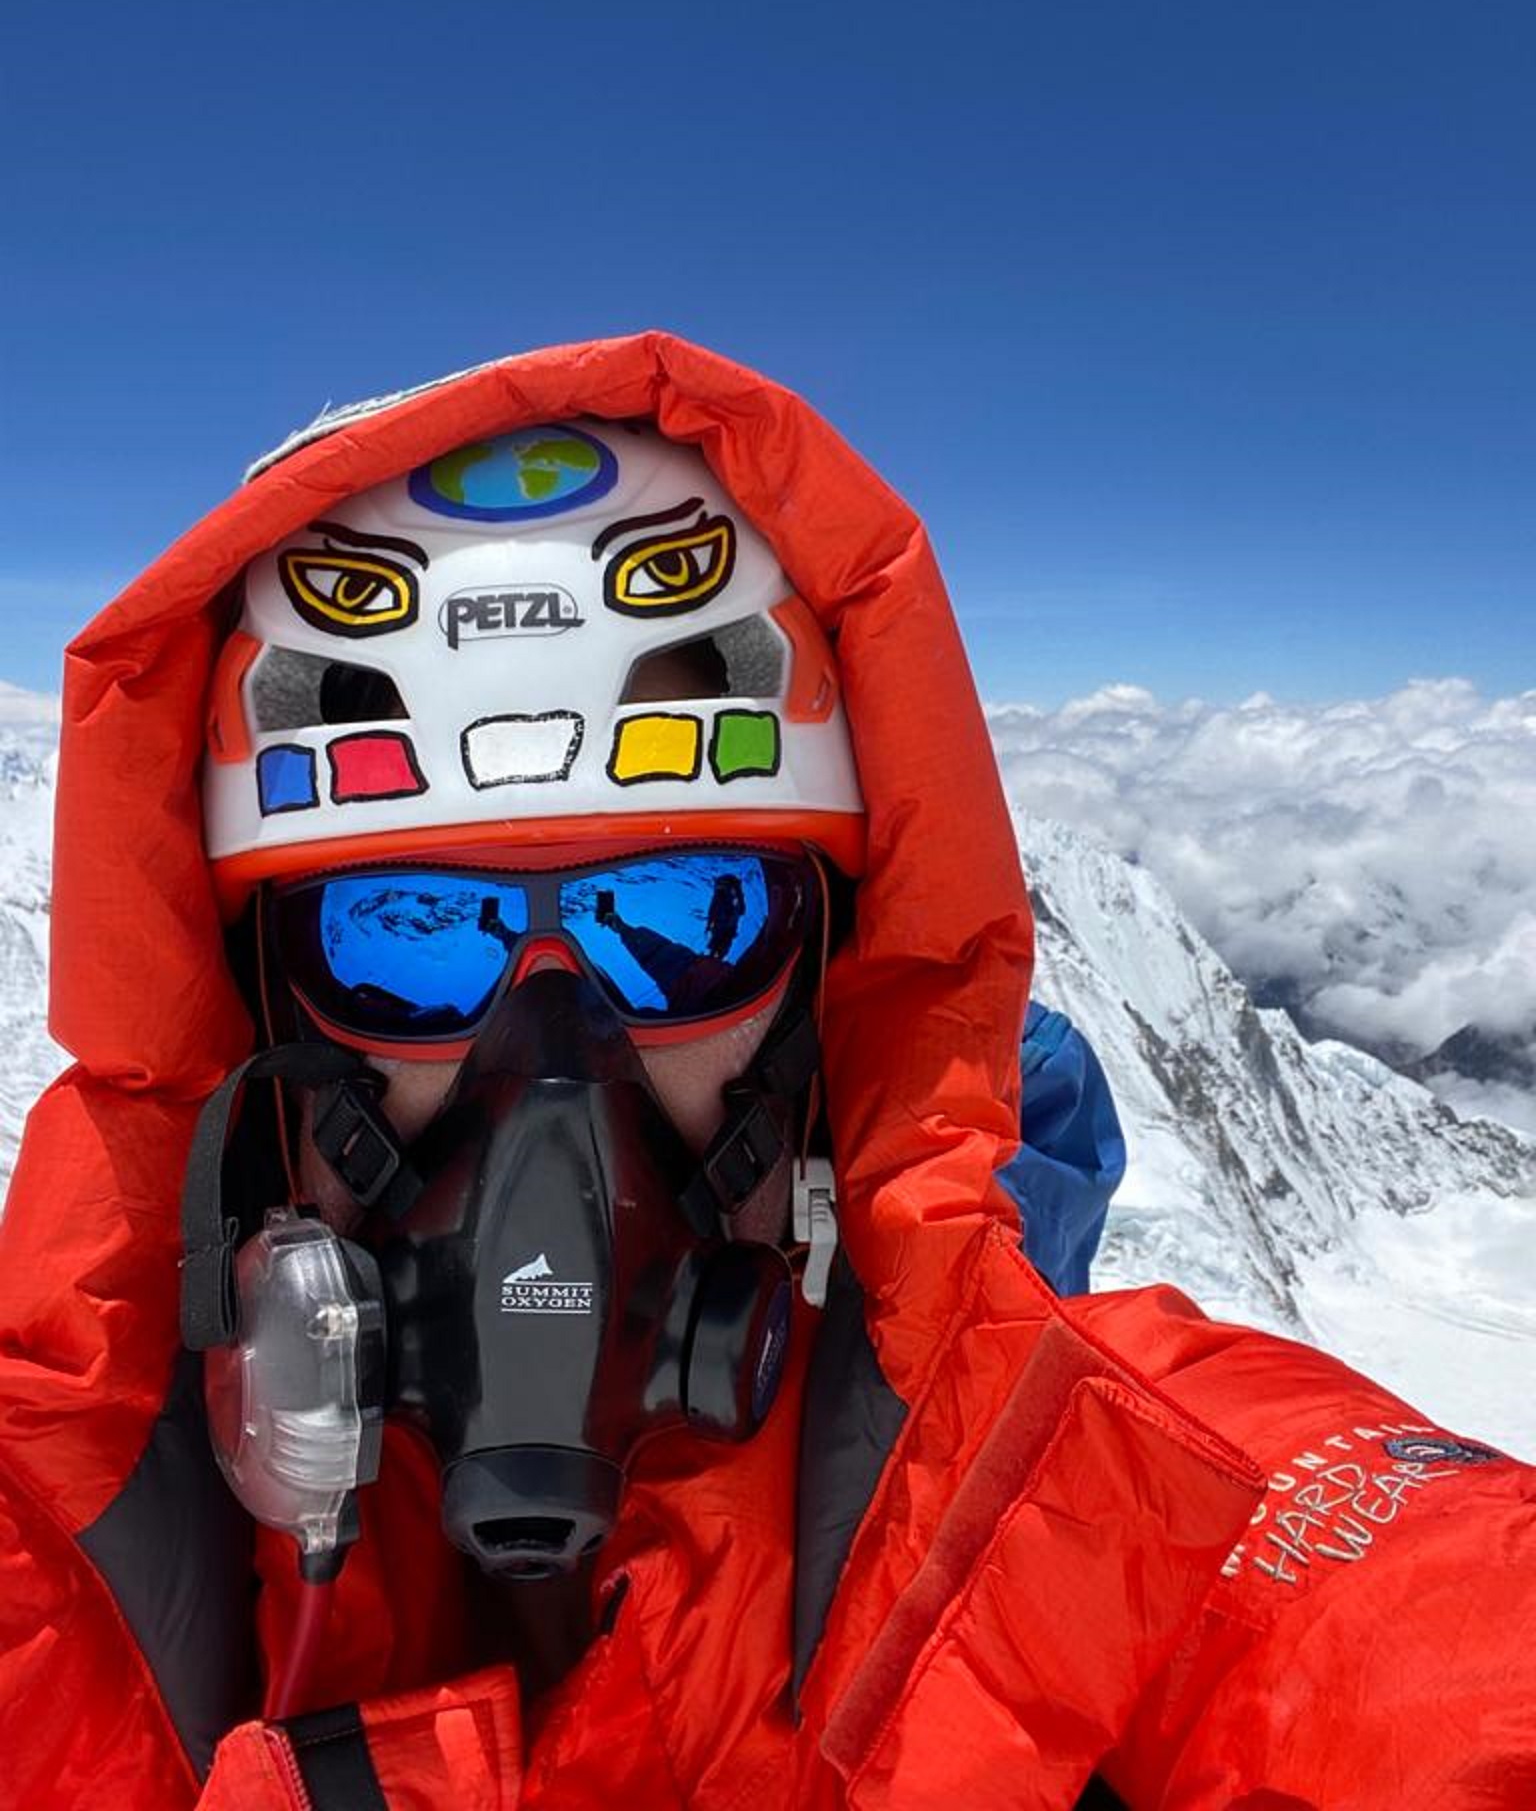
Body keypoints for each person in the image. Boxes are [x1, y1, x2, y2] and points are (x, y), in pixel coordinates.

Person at [0, 332, 1530, 1810]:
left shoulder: (1096, 1494)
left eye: (680, 922)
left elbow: (1416, 1655)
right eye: (408, 934)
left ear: (824, 994)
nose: (552, 1070)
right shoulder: (47, 1571)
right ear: (255, 1035)